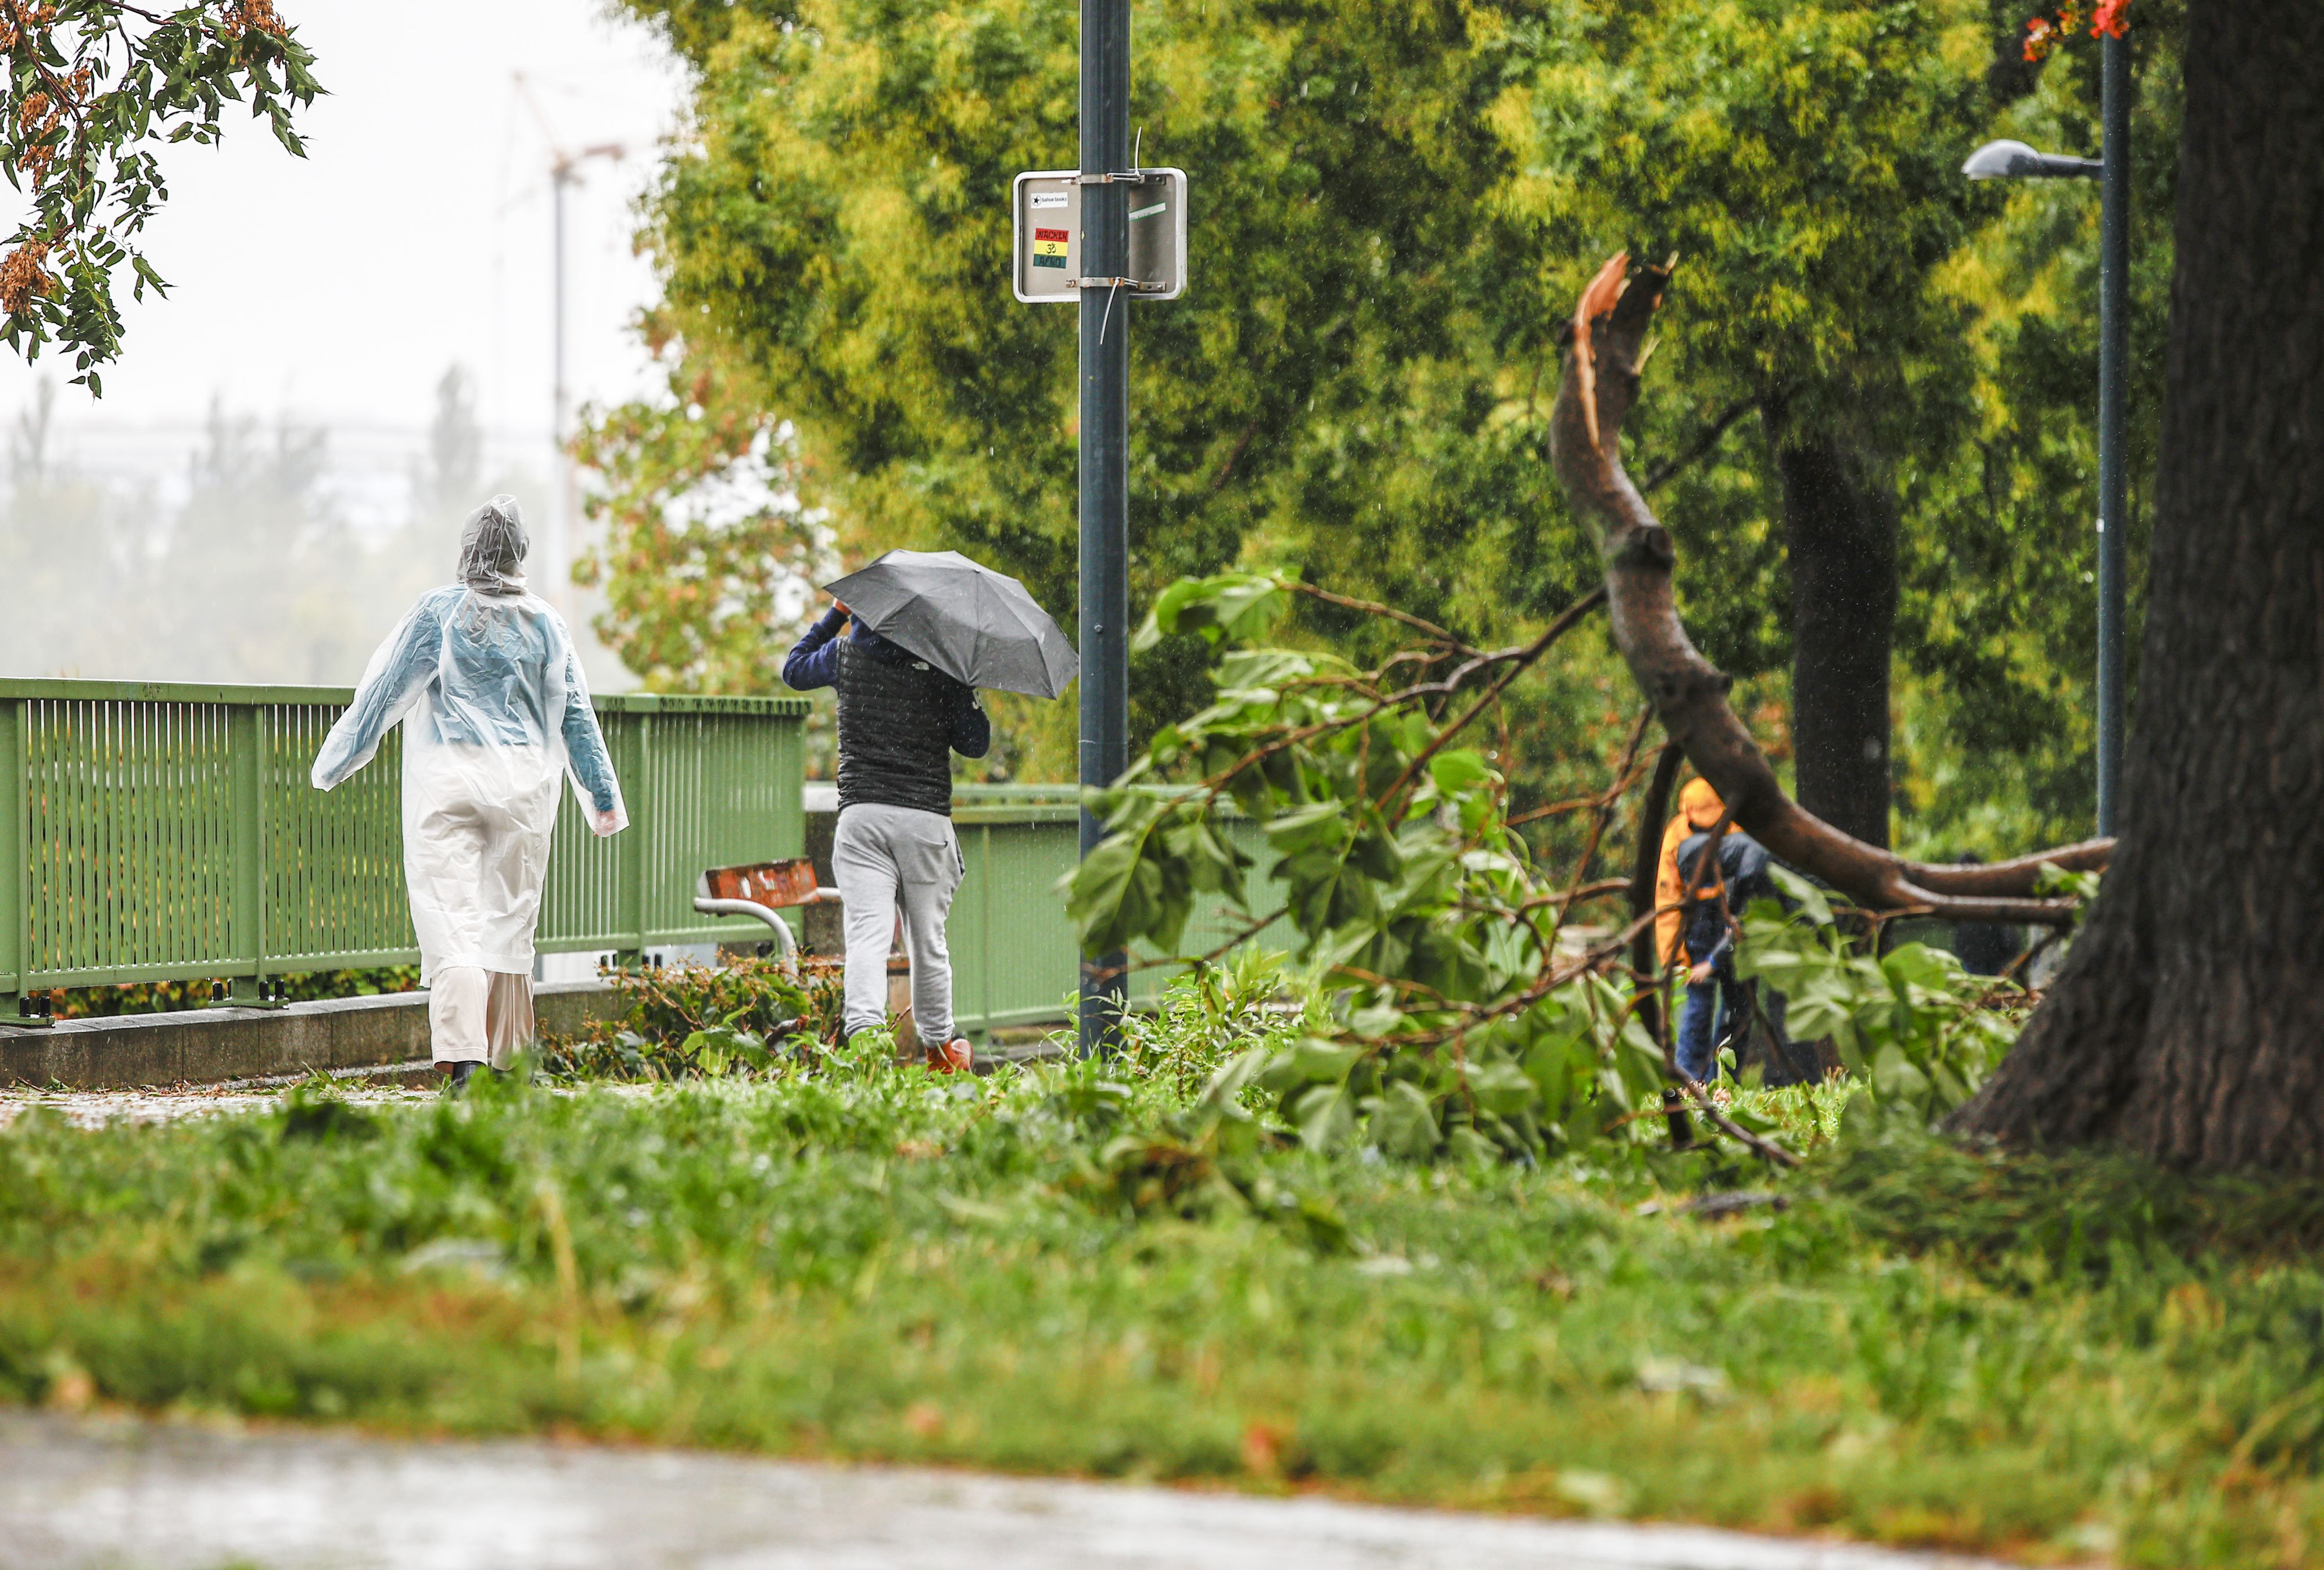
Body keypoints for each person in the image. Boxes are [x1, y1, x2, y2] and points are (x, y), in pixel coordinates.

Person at [311, 496, 626, 1091]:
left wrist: (336, 760)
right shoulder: (546, 623)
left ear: (466, 551)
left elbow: (383, 694)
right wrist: (602, 797)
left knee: (452, 922)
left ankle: (465, 1061)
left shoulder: (439, 612)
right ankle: (511, 1064)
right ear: (520, 555)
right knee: (509, 922)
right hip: (523, 789)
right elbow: (576, 716)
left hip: (447, 782)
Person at [783, 595, 991, 1071]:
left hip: (863, 817)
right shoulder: (943, 664)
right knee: (928, 942)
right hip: (925, 821)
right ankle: (940, 1052)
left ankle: (866, 1048)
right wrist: (964, 680)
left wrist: (837, 614)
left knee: (867, 938)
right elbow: (976, 743)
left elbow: (793, 669)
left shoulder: (845, 654)